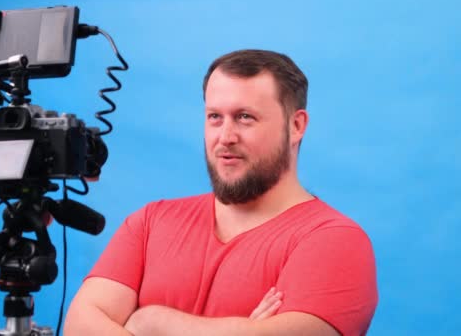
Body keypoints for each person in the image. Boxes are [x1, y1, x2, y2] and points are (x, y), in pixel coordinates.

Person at [64, 49, 378, 335]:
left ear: (296, 126)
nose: (226, 136)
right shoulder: (150, 223)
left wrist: (151, 322)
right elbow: (79, 325)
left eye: (245, 117)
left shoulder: (335, 240)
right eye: (215, 117)